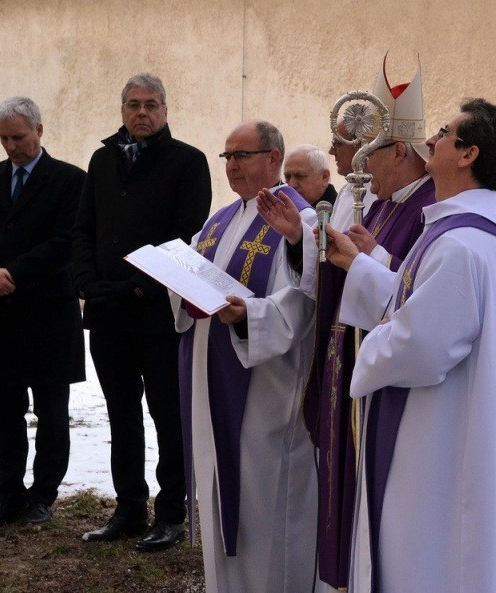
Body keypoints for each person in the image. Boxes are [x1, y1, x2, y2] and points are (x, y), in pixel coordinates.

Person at [326, 99, 496, 592]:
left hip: (438, 439)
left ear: (468, 155)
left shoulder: (460, 243)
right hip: (458, 423)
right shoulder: (474, 234)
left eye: (444, 132)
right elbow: (416, 301)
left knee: (435, 557)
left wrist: (366, 356)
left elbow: (421, 345)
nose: (430, 140)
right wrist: (358, 265)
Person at [258, 58, 436, 591]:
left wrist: (369, 258)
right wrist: (300, 241)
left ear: (398, 151)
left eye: (366, 151)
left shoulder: (429, 209)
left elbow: (419, 295)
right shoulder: (374, 202)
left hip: (387, 378)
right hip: (345, 364)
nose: (355, 164)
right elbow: (334, 281)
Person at [172, 120, 318, 593]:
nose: (232, 165)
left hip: (266, 390)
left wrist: (248, 316)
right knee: (219, 486)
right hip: (211, 378)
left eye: (242, 155)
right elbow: (195, 282)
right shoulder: (219, 221)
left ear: (273, 158)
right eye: (227, 156)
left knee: (264, 501)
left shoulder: (300, 220)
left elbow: (304, 301)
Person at [73, 73, 212, 550]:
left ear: (166, 111)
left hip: (156, 312)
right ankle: (129, 508)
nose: (142, 113)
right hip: (106, 312)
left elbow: (186, 236)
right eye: (133, 104)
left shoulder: (187, 162)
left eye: (151, 105)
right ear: (122, 110)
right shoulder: (102, 159)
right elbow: (84, 228)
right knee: (121, 415)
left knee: (167, 415)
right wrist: (86, 283)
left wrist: (137, 287)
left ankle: (171, 513)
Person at [0, 97, 86, 527]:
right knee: (3, 415)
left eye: (18, 137)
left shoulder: (70, 181)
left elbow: (66, 242)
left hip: (49, 316)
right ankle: (8, 493)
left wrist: (11, 273)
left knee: (52, 415)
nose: (11, 146)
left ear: (39, 131)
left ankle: (42, 496)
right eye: (4, 139)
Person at [328, 120, 376, 231]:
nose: (331, 151)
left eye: (337, 144)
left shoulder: (379, 193)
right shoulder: (345, 189)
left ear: (361, 146)